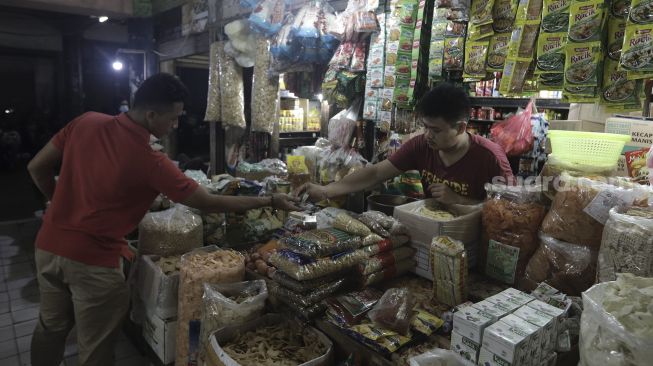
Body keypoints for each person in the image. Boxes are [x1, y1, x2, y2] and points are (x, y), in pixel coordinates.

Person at [26, 73, 299, 366]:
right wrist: (269, 199)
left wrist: (59, 202)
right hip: (93, 262)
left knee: (50, 328)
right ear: (151, 114)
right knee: (94, 347)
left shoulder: (85, 122)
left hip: (48, 246)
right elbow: (207, 202)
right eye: (173, 118)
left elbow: (36, 167)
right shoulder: (150, 161)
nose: (176, 125)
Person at [299, 83, 513, 205]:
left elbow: (512, 210)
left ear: (460, 128)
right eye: (425, 126)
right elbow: (374, 173)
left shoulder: (489, 157)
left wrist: (459, 200)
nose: (427, 135)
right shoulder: (421, 145)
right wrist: (326, 191)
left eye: (435, 130)